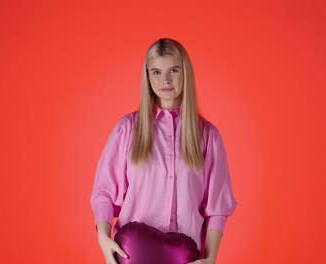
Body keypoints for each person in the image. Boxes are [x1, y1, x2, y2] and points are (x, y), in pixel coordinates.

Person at [90, 38, 237, 264]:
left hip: (186, 257)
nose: (165, 80)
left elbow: (217, 208)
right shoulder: (127, 129)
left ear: (185, 73)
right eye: (156, 72)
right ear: (147, 76)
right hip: (133, 254)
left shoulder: (208, 136)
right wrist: (102, 237)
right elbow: (104, 193)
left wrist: (210, 259)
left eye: (174, 70)